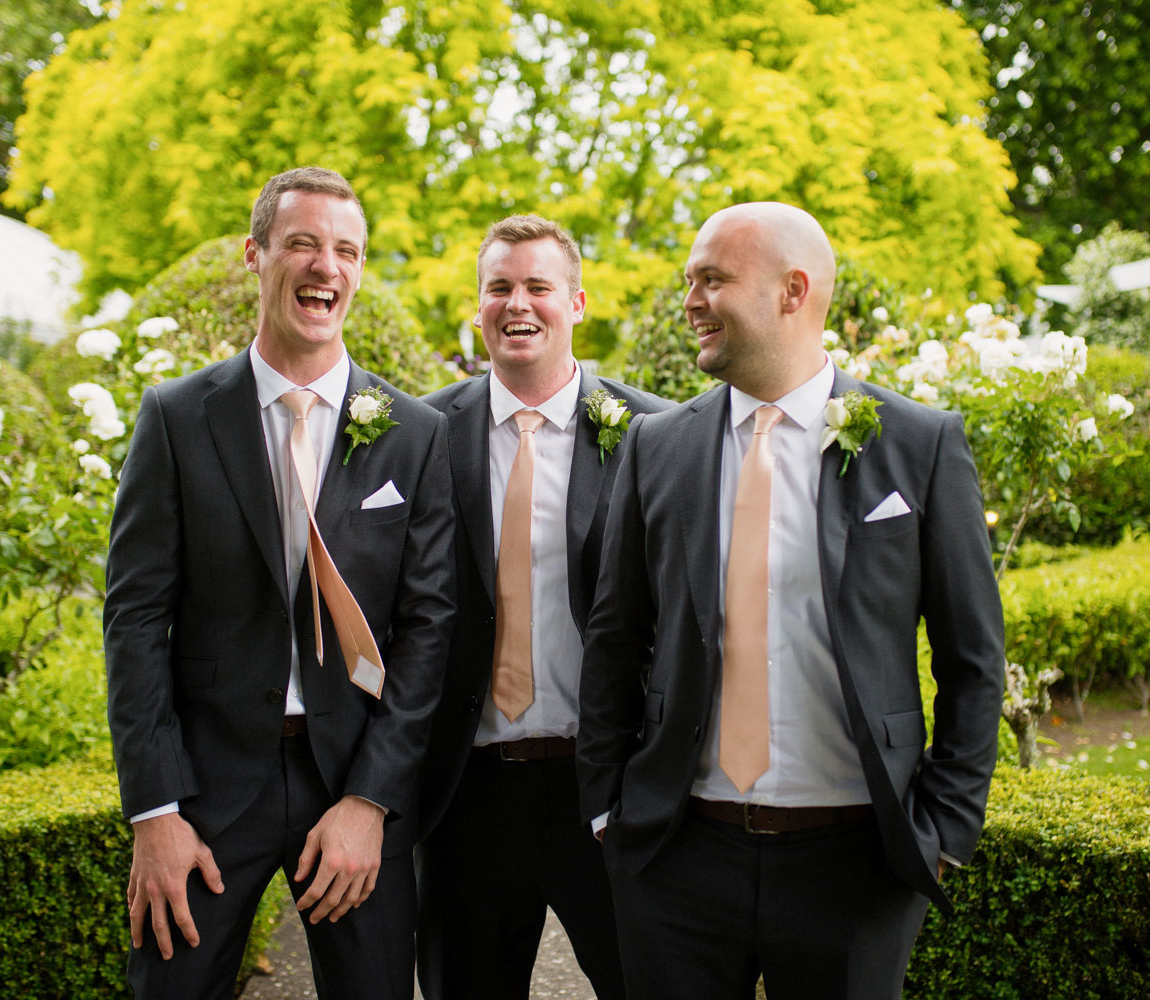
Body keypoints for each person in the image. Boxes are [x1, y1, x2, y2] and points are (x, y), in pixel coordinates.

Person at [577, 202, 1004, 1000]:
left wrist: (944, 829)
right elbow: (614, 636)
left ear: (792, 291)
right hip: (678, 854)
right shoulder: (655, 446)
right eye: (689, 281)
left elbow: (973, 659)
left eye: (712, 280)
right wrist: (609, 808)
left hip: (855, 864)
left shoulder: (918, 444)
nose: (691, 301)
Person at [105, 166, 456, 1000]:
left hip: (353, 782)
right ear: (255, 254)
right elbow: (134, 620)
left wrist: (372, 800)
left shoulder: (415, 435)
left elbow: (429, 629)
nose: (324, 266)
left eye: (346, 250)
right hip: (207, 790)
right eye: (301, 242)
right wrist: (155, 815)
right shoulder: (176, 416)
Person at [415, 215, 670, 999]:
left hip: (605, 783)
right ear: (478, 303)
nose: (516, 303)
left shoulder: (655, 434)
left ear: (578, 302)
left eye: (537, 287)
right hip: (468, 793)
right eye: (499, 287)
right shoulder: (422, 432)